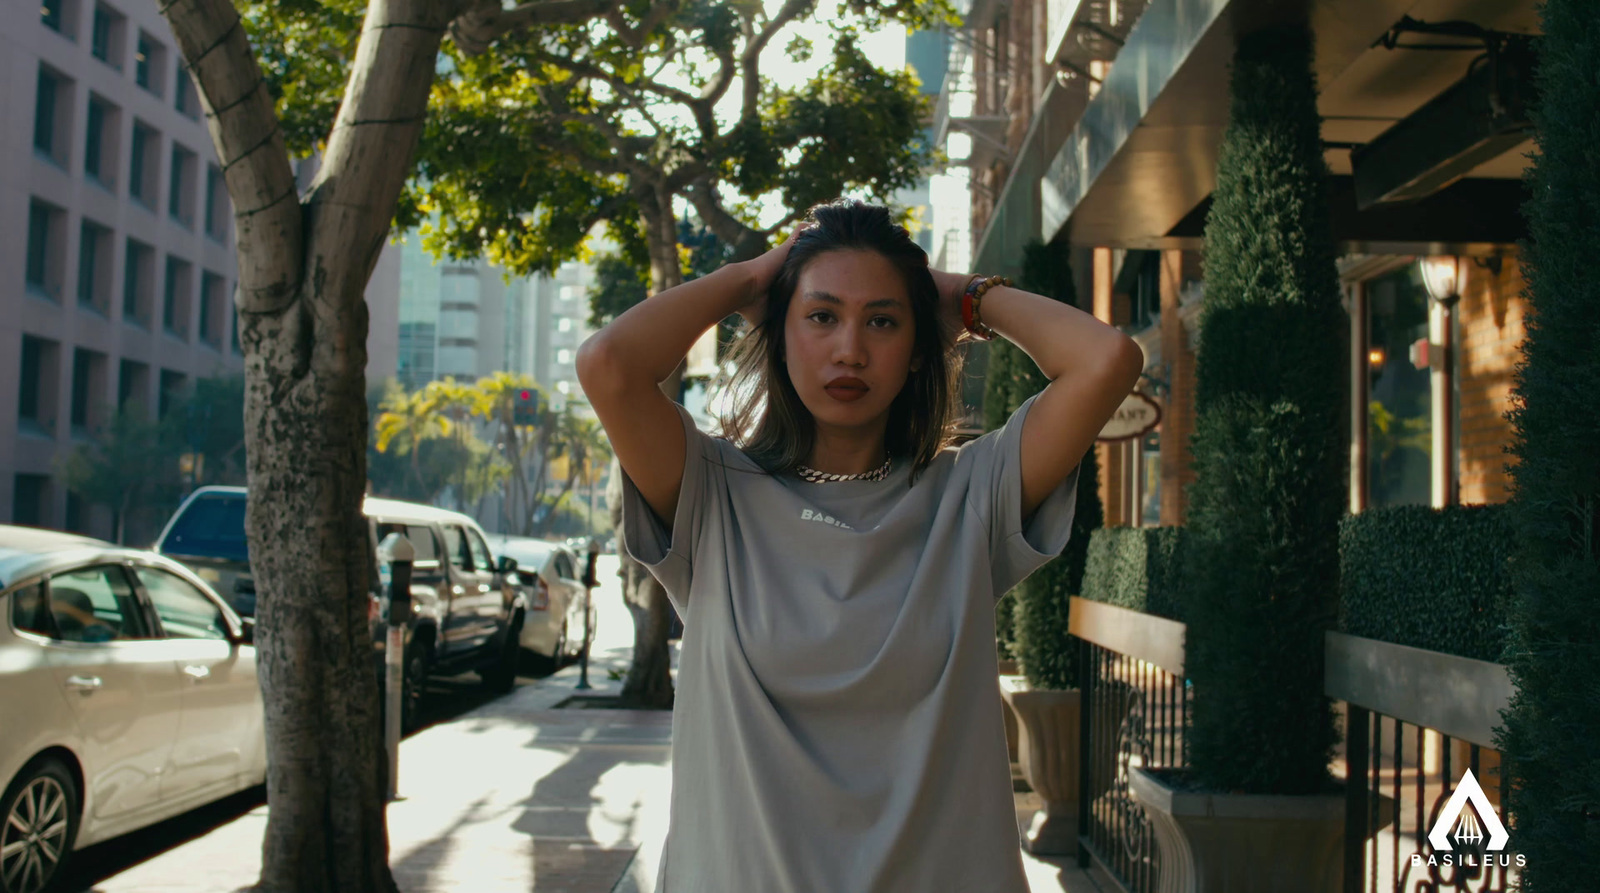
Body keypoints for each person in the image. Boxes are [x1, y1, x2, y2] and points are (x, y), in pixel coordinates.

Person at [576, 199, 1142, 893]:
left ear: (916, 348)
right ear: (779, 335)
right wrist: (752, 279)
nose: (850, 348)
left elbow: (1107, 358)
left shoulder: (972, 497)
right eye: (820, 316)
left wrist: (962, 298)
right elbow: (608, 365)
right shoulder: (708, 493)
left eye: (882, 320)